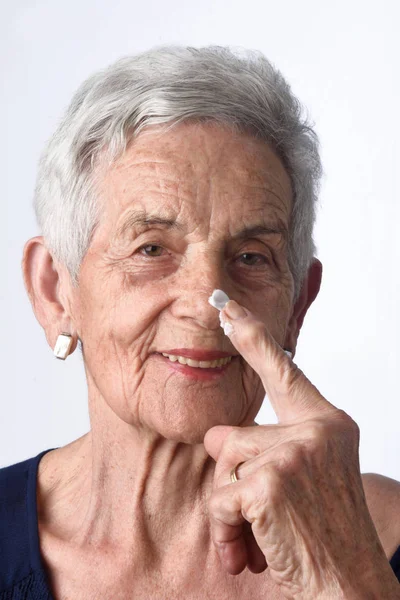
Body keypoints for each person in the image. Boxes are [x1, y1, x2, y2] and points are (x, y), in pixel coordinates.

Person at [1, 45, 399, 599]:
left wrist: (345, 575)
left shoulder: (378, 537)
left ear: (297, 305)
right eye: (150, 249)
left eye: (252, 257)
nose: (204, 301)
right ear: (55, 290)